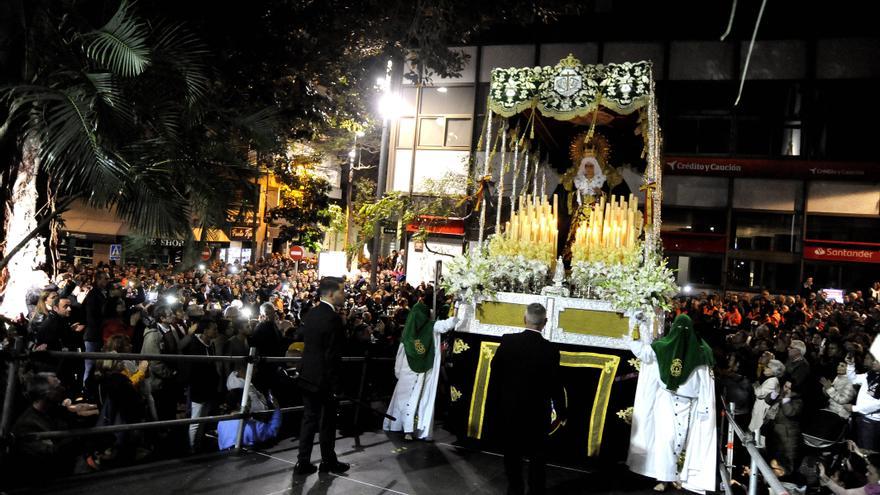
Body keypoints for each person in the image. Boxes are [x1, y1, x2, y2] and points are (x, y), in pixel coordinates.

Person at [627, 314, 716, 493]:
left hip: (689, 405)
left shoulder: (701, 351)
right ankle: (664, 477)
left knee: (684, 441)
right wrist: (635, 325)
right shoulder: (662, 347)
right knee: (665, 439)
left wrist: (705, 406)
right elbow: (642, 352)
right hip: (666, 401)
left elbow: (706, 382)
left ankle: (681, 476)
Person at [490, 303, 566, 495]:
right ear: (545, 323)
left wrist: (496, 404)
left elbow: (495, 373)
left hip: (511, 409)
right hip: (537, 412)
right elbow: (556, 384)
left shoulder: (508, 342)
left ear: (524, 319)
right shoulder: (550, 350)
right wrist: (561, 410)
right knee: (537, 457)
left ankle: (514, 488)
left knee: (512, 455)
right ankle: (535, 490)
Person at [294, 276, 350, 475]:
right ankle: (328, 461)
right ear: (331, 293)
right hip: (324, 379)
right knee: (327, 422)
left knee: (309, 419)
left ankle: (302, 462)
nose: (344, 295)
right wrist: (337, 386)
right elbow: (332, 355)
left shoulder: (312, 313)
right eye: (342, 291)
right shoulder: (333, 319)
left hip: (307, 374)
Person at [383, 299, 456, 440]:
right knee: (418, 400)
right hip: (423, 372)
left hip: (406, 373)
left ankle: (399, 426)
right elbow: (448, 324)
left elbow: (400, 355)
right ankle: (411, 430)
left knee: (402, 400)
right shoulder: (432, 326)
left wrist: (398, 373)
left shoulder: (407, 333)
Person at [217, 388, 281, 450]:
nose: (250, 402)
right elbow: (272, 431)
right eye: (248, 400)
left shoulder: (221, 422)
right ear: (239, 405)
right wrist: (277, 409)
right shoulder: (252, 427)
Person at [846, 351, 880, 451]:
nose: (873, 362)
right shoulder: (871, 374)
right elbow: (853, 379)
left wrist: (854, 408)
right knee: (861, 448)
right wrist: (851, 365)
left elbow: (878, 404)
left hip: (873, 421)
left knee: (868, 451)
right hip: (863, 417)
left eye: (877, 361)